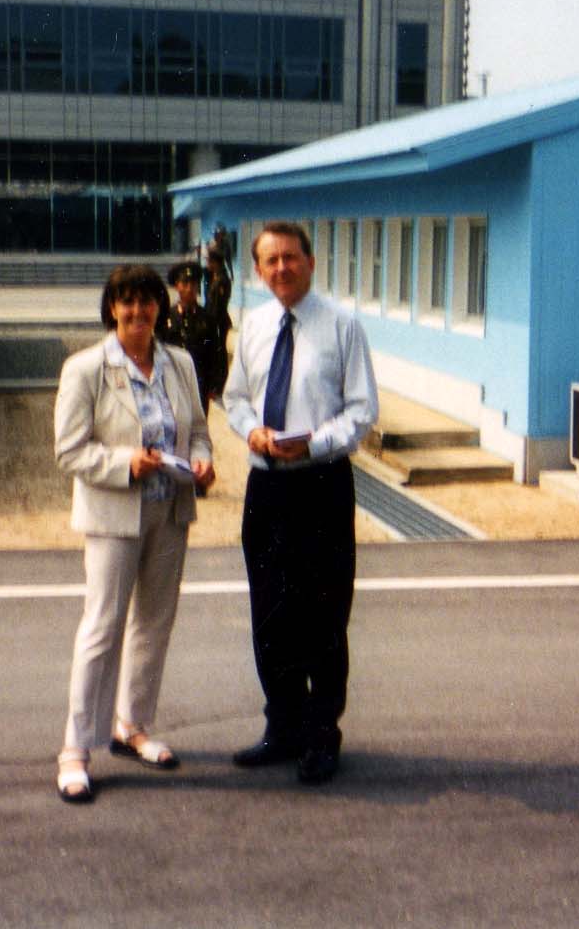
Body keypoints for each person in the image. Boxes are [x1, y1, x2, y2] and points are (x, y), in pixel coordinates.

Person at [53, 265, 217, 804]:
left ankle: (133, 725)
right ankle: (75, 750)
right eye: (127, 304)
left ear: (159, 309)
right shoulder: (85, 369)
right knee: (102, 627)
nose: (138, 313)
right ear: (111, 309)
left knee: (154, 623)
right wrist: (129, 463)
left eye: (148, 304)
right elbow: (70, 450)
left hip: (169, 510)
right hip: (114, 514)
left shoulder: (181, 363)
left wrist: (201, 462)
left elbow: (196, 430)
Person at [221, 221, 378, 785]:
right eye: (271, 261)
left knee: (323, 614)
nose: (282, 268)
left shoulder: (342, 326)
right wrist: (252, 432)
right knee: (270, 612)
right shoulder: (255, 327)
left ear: (310, 263)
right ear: (259, 271)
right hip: (267, 488)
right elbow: (234, 398)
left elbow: (362, 411)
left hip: (320, 485)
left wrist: (314, 441)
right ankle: (282, 725)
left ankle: (321, 734)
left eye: (291, 257)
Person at [159, 260, 222, 410]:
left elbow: (216, 351)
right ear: (177, 286)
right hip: (173, 379)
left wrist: (215, 384)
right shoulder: (166, 317)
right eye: (185, 283)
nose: (189, 288)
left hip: (199, 381)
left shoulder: (207, 317)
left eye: (194, 284)